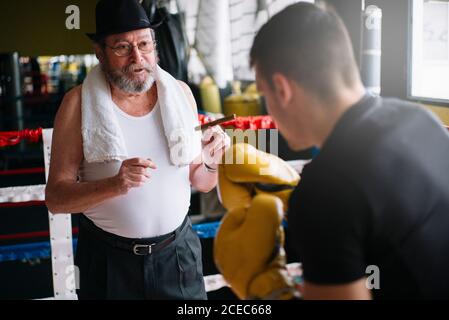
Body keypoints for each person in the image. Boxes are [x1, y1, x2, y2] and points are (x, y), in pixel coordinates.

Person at [249, 2, 449, 299]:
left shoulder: (324, 188)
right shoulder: (421, 120)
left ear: (282, 89)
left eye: (264, 95)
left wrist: (263, 292)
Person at [45, 0, 230, 300]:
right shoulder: (77, 104)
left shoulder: (180, 94)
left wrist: (211, 161)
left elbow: (200, 182)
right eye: (121, 47)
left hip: (178, 256)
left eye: (144, 44)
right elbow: (56, 198)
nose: (138, 57)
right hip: (110, 262)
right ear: (100, 53)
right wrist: (115, 184)